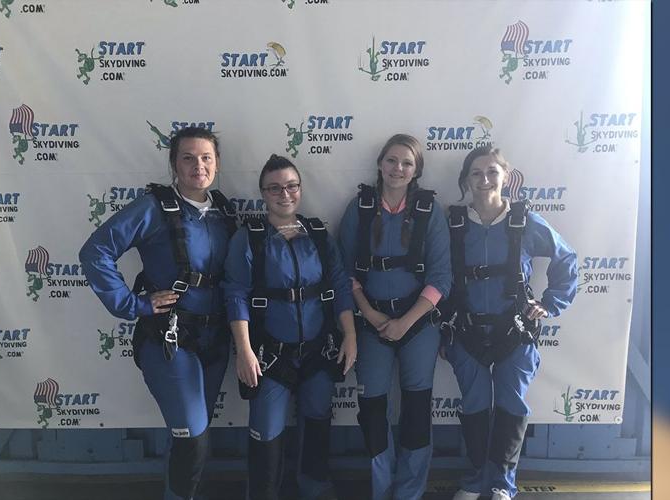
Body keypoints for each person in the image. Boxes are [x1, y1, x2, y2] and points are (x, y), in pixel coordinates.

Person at [79, 126, 237, 500]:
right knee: (192, 440)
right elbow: (95, 251)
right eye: (188, 157)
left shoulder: (224, 212)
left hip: (215, 341)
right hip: (170, 341)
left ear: (216, 164)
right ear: (173, 164)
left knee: (192, 437)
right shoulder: (154, 207)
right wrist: (132, 304)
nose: (198, 165)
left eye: (206, 158)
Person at [441, 144, 577, 500]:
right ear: (466, 180)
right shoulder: (452, 224)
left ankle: (502, 483)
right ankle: (474, 480)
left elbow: (567, 260)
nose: (484, 179)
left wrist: (550, 303)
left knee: (511, 405)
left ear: (506, 177)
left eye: (492, 172)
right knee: (473, 405)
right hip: (465, 331)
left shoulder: (525, 223)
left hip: (514, 333)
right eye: (476, 173)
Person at [223, 154, 357, 500]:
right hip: (269, 356)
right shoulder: (250, 238)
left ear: (300, 188)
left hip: (318, 351)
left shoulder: (318, 235)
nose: (285, 194)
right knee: (266, 432)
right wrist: (244, 351)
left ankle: (315, 487)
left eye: (292, 186)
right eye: (275, 188)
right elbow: (236, 294)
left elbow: (340, 286)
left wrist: (351, 336)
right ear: (263, 193)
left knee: (316, 421)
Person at [338, 134, 452, 500]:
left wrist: (406, 320)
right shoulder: (360, 207)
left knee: (416, 409)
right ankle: (380, 487)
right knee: (372, 407)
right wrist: (369, 314)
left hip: (418, 324)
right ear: (380, 164)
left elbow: (441, 277)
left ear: (416, 170)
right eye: (391, 160)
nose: (397, 169)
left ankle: (409, 493)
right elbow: (344, 271)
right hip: (370, 323)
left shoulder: (428, 211)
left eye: (406, 163)